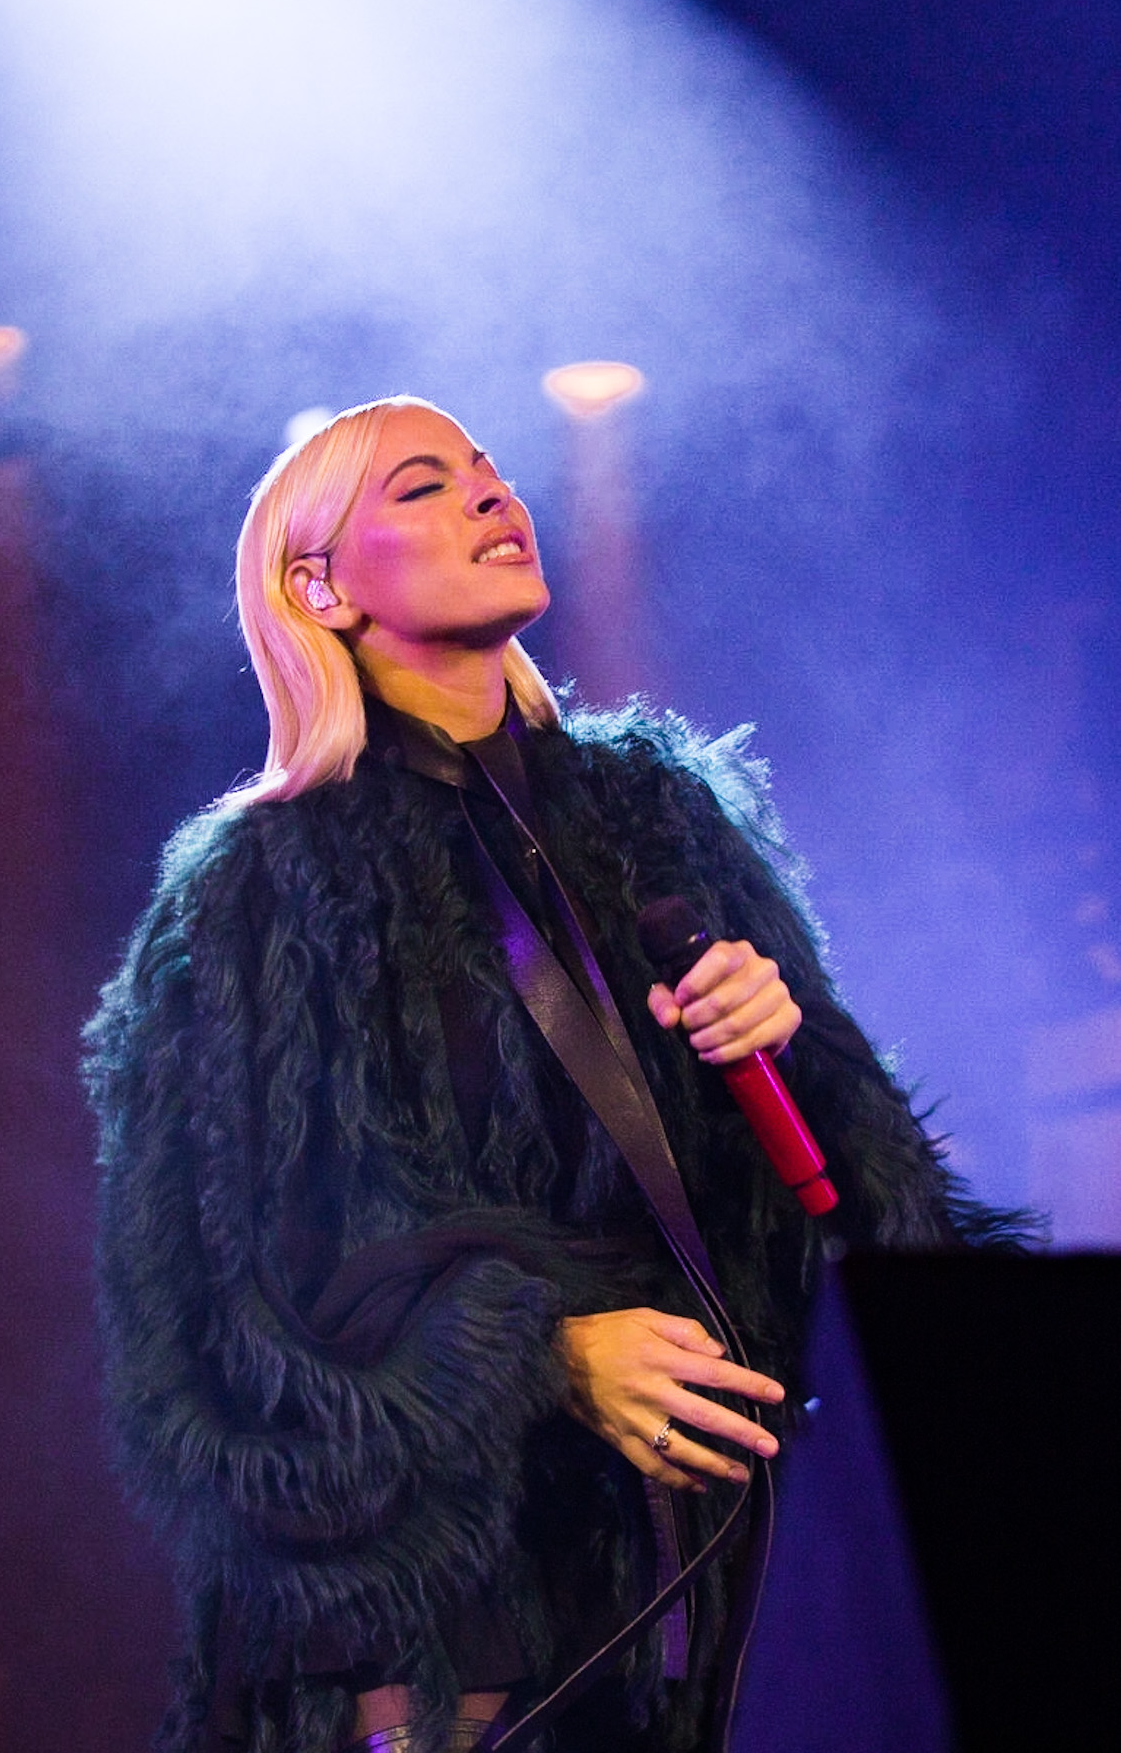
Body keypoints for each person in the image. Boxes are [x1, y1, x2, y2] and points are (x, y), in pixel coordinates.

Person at [83, 397, 1018, 1753]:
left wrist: (784, 1042)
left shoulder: (660, 816)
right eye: (423, 487)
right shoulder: (258, 894)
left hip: (730, 1568)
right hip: (461, 1616)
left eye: (488, 471)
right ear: (319, 588)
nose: (490, 495)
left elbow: (868, 1202)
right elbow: (225, 1301)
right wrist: (543, 1351)